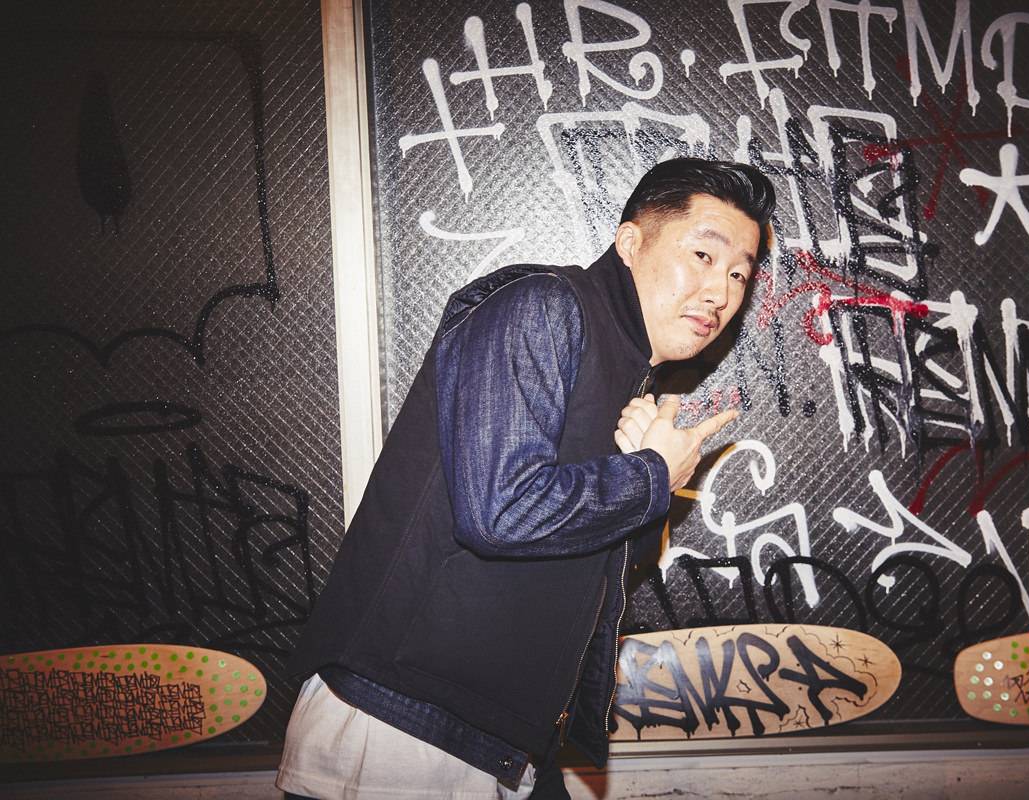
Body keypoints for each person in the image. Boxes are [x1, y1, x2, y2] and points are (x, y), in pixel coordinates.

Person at [276, 158, 776, 799]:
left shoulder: (629, 379)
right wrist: (653, 476)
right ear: (630, 242)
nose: (720, 293)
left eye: (739, 274)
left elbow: (595, 574)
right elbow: (499, 512)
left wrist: (640, 473)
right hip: (402, 727)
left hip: (506, 741)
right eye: (703, 255)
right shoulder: (544, 306)